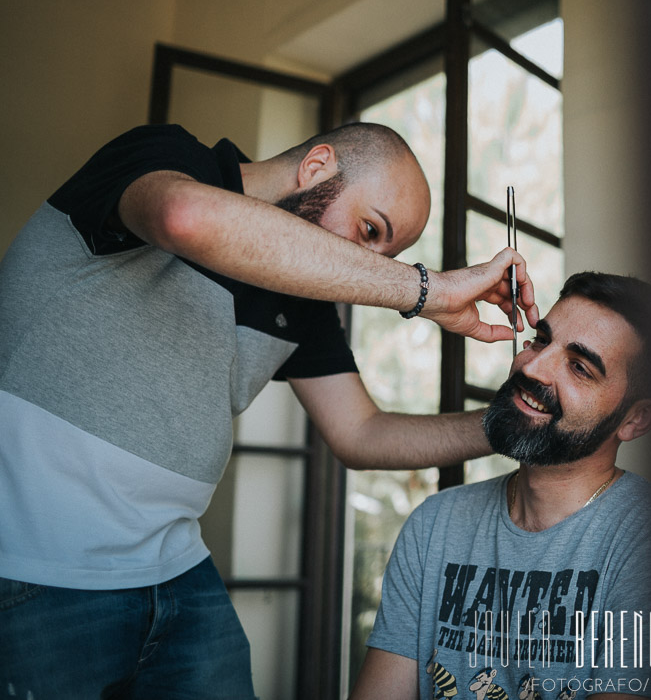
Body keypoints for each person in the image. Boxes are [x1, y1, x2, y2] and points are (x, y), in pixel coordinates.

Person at [0, 122, 538, 698]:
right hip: (35, 566)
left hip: (175, 568)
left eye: (390, 252)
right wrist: (422, 290)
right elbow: (183, 218)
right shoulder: (171, 157)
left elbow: (360, 432)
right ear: (316, 167)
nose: (369, 265)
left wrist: (506, 425)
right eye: (370, 230)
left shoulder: (304, 301)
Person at [351, 272, 651, 700]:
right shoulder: (434, 525)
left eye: (579, 367)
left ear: (635, 419)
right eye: (540, 340)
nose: (532, 366)